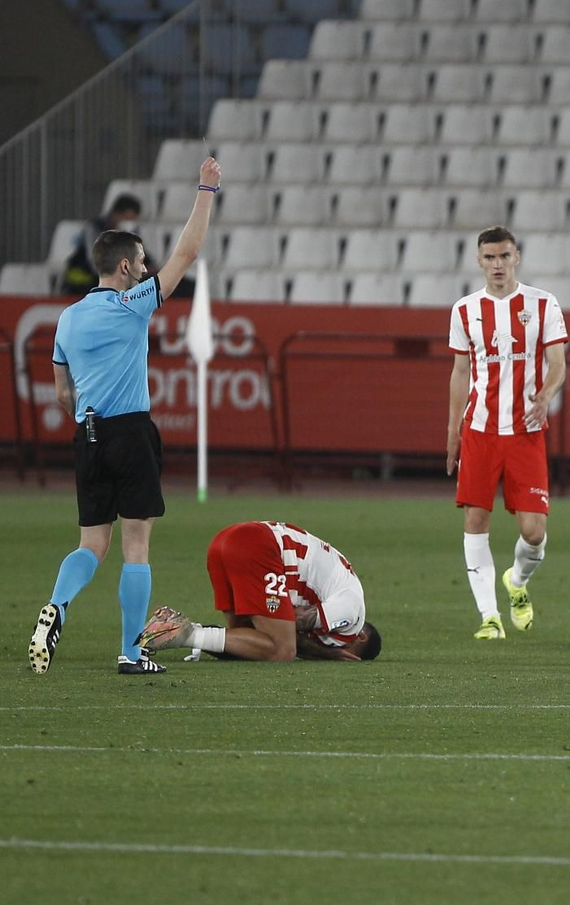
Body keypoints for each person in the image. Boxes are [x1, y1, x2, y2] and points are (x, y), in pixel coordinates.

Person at [27, 156, 221, 676]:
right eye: (139, 260)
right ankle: (132, 652)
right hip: (130, 431)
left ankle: (57, 605)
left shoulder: (67, 317)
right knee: (136, 545)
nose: (143, 265)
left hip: (86, 435)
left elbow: (61, 394)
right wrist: (206, 188)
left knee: (92, 542)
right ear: (125, 268)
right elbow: (189, 251)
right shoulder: (131, 304)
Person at [446, 226, 569, 639]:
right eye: (489, 258)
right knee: (476, 519)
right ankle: (489, 618)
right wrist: (452, 431)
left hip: (526, 431)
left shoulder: (543, 303)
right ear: (479, 261)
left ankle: (516, 581)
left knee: (533, 533)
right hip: (479, 430)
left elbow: (558, 363)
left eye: (504, 256)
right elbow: (460, 372)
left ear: (517, 257)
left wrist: (546, 395)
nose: (497, 264)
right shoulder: (464, 310)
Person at [136, 521, 381, 663]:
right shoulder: (352, 611)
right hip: (258, 547)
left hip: (226, 541)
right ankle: (184, 634)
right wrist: (327, 654)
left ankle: (178, 628)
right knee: (282, 650)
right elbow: (297, 622)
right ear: (360, 637)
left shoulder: (339, 586)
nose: (335, 648)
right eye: (347, 651)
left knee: (248, 643)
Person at [62, 194, 143, 295]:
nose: (129, 224)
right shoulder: (94, 228)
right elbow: (93, 260)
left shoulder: (129, 233)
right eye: (127, 219)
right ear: (117, 214)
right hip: (83, 279)